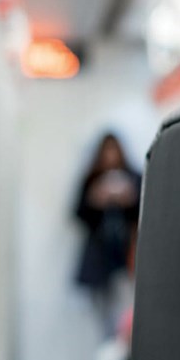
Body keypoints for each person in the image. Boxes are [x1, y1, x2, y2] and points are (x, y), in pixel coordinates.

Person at [73, 133, 141, 332]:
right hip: (100, 258)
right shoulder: (92, 179)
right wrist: (95, 200)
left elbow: (145, 215)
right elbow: (78, 214)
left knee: (126, 311)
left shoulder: (134, 178)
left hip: (126, 255)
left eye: (114, 150)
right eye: (106, 151)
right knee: (102, 318)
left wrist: (128, 200)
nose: (110, 156)